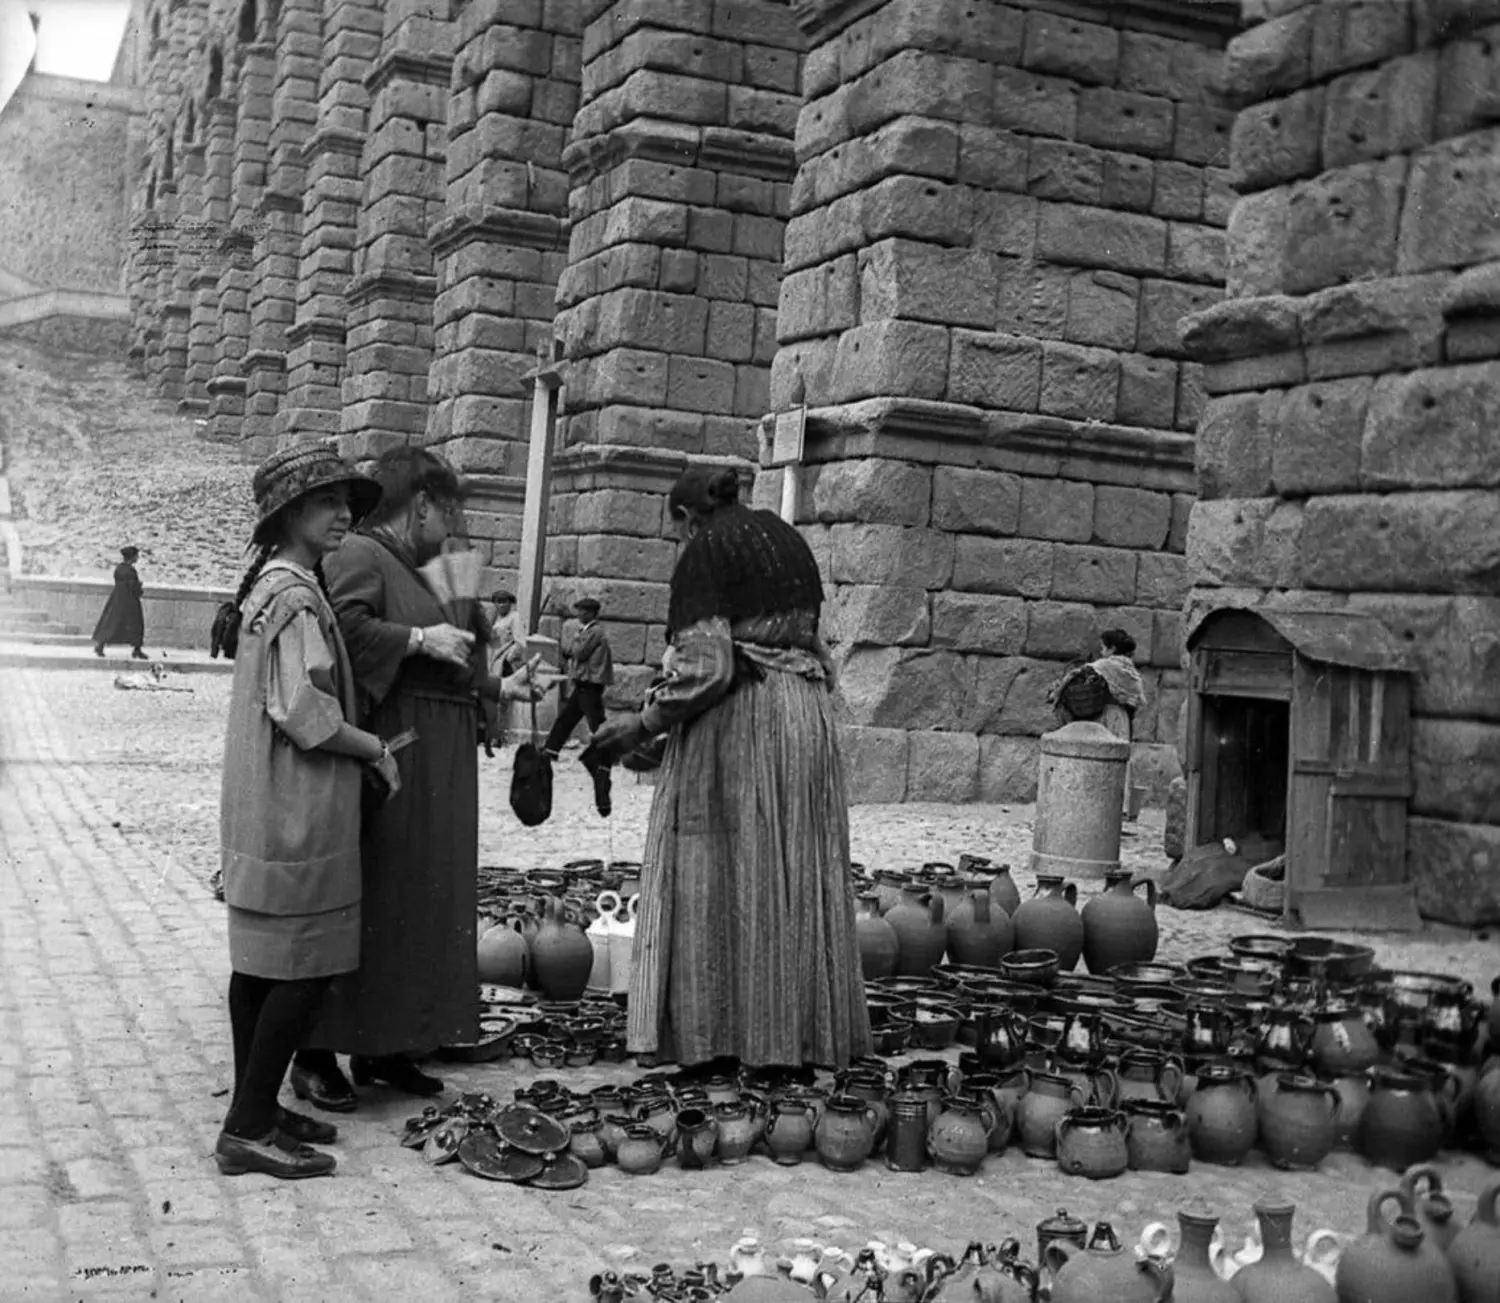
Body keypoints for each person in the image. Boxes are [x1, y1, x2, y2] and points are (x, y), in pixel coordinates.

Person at [586, 466, 871, 1071]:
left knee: (716, 871)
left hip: (743, 722)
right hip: (802, 716)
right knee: (787, 872)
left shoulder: (706, 551)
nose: (678, 544)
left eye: (676, 533)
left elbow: (707, 665)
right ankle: (792, 1039)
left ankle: (717, 1037)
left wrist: (643, 725)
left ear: (689, 519)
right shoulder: (788, 540)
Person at [289, 447, 544, 1112]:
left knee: (425, 896)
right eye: (450, 508)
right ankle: (315, 1048)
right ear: (421, 504)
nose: (456, 523)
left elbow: (463, 650)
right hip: (396, 745)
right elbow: (342, 629)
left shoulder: (440, 565)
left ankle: (389, 1044)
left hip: (446, 750)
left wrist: (499, 681)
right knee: (377, 891)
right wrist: (415, 640)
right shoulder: (363, 556)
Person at [216, 444, 400, 1180]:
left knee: (259, 963)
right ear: (292, 515)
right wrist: (374, 746)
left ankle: (255, 1104)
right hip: (297, 807)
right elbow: (304, 712)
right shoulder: (293, 596)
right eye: (328, 503)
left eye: (345, 503)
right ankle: (248, 1125)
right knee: (302, 966)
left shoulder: (274, 585)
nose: (344, 515)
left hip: (266, 802)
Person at [543, 597, 614, 816]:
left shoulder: (594, 632)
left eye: (584, 611)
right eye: (579, 610)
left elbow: (579, 652)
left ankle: (607, 754)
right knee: (568, 718)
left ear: (593, 613)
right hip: (584, 682)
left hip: (590, 683)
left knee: (595, 722)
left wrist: (573, 642)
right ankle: (550, 750)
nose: (580, 614)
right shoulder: (588, 631)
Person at [92, 545, 147, 659]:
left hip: (116, 599)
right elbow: (133, 587)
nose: (138, 558)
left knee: (112, 623)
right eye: (136, 555)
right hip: (130, 602)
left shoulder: (119, 569)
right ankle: (137, 649)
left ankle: (100, 645)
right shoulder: (131, 570)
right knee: (136, 625)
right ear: (132, 557)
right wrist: (139, 588)